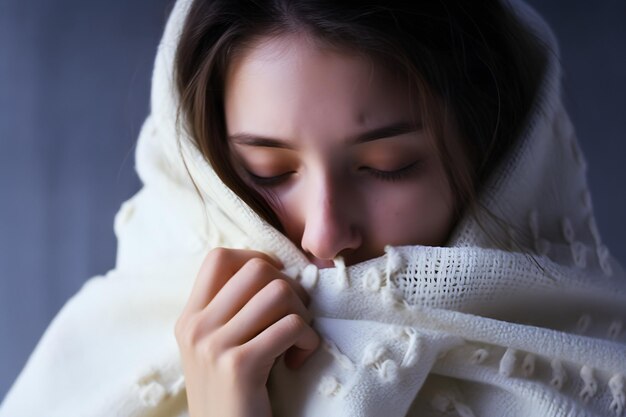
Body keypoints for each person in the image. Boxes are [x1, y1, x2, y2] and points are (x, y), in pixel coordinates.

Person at [1, 0, 625, 416]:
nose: (324, 236)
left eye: (387, 168)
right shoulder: (98, 362)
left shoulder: (593, 378)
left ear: (496, 162)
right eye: (266, 173)